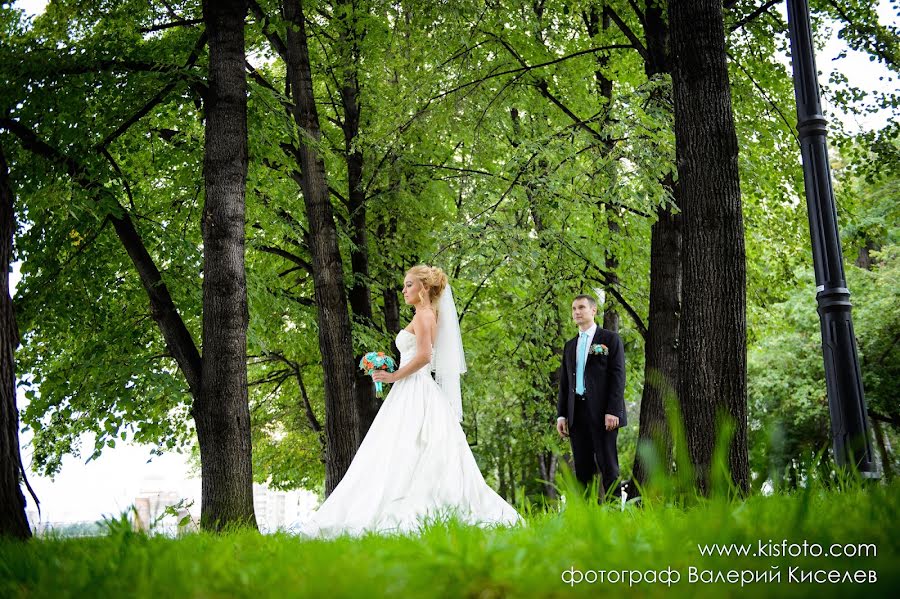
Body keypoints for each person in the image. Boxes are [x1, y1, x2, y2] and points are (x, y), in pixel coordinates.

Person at [295, 265, 523, 538]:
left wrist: (393, 376)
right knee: (395, 450)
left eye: (409, 285)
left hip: (416, 388)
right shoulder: (421, 315)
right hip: (409, 387)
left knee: (410, 447)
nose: (404, 290)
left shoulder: (426, 316)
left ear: (423, 288)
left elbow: (425, 356)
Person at [556, 294, 627, 502]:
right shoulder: (570, 346)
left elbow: (618, 376)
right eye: (573, 309)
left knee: (609, 468)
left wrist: (613, 410)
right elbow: (565, 383)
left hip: (604, 414)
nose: (576, 312)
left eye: (581, 308)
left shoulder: (609, 340)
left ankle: (615, 516)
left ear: (593, 310)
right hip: (576, 415)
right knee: (583, 471)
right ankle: (588, 520)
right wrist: (561, 415)